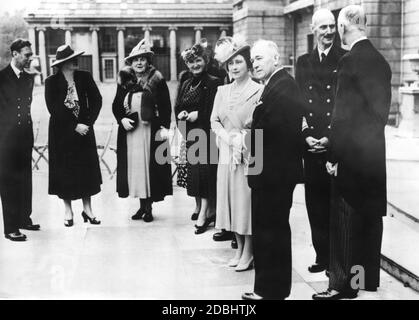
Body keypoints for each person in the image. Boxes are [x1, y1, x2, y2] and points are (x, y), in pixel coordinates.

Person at [312, 5, 392, 300]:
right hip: (373, 156)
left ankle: (342, 285)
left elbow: (342, 116)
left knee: (344, 221)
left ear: (344, 28)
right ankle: (365, 280)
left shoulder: (349, 61)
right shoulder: (380, 61)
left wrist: (333, 156)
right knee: (369, 218)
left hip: (349, 157)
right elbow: (378, 114)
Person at [242, 40, 304, 300]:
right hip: (270, 172)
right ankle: (267, 289)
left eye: (259, 58)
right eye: (253, 59)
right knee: (269, 230)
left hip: (274, 175)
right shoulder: (275, 86)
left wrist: (252, 123)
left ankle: (271, 291)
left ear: (275, 59)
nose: (254, 63)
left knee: (272, 231)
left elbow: (271, 130)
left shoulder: (283, 86)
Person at [295, 8, 347, 274]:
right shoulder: (303, 62)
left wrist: (329, 137)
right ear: (313, 30)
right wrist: (306, 135)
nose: (328, 32)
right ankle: (321, 255)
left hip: (333, 143)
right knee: (314, 203)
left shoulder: (345, 59)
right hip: (310, 143)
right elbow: (299, 102)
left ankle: (336, 259)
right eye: (323, 27)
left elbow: (343, 105)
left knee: (334, 204)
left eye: (331, 27)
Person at [211, 36, 263, 272]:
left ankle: (250, 252)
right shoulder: (221, 91)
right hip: (226, 151)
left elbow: (260, 123)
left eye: (239, 62)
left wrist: (241, 139)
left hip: (249, 151)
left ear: (248, 64)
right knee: (230, 201)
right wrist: (225, 137)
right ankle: (239, 248)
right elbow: (214, 120)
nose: (234, 67)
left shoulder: (259, 90)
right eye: (230, 63)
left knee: (246, 202)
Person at [112, 40, 173, 223]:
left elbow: (165, 105)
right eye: (135, 60)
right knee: (136, 169)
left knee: (150, 168)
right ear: (130, 63)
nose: (139, 63)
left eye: (142, 59)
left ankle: (149, 208)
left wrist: (164, 126)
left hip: (150, 130)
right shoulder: (124, 79)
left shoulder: (157, 79)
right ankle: (140, 206)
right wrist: (121, 119)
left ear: (148, 61)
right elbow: (116, 104)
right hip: (131, 132)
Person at [45, 45, 102, 227]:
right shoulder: (51, 82)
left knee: (86, 170)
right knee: (65, 171)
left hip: (84, 131)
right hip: (62, 133)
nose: (76, 61)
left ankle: (88, 209)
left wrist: (87, 123)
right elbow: (54, 109)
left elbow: (96, 100)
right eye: (71, 59)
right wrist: (73, 126)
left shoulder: (84, 77)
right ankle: (68, 210)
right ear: (62, 64)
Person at [175, 42, 222, 234]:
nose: (195, 65)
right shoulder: (186, 82)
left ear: (206, 60)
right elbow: (177, 105)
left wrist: (197, 116)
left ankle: (205, 213)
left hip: (207, 134)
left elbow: (213, 110)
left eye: (198, 60)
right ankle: (202, 209)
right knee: (194, 176)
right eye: (191, 62)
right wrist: (182, 116)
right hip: (191, 135)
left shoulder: (213, 82)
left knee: (205, 175)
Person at [0, 39, 40, 241]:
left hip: (24, 136)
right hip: (5, 140)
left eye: (30, 55)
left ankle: (24, 218)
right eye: (26, 55)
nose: (29, 58)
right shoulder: (1, 77)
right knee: (8, 183)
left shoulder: (28, 78)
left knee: (25, 179)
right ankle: (10, 227)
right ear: (14, 54)